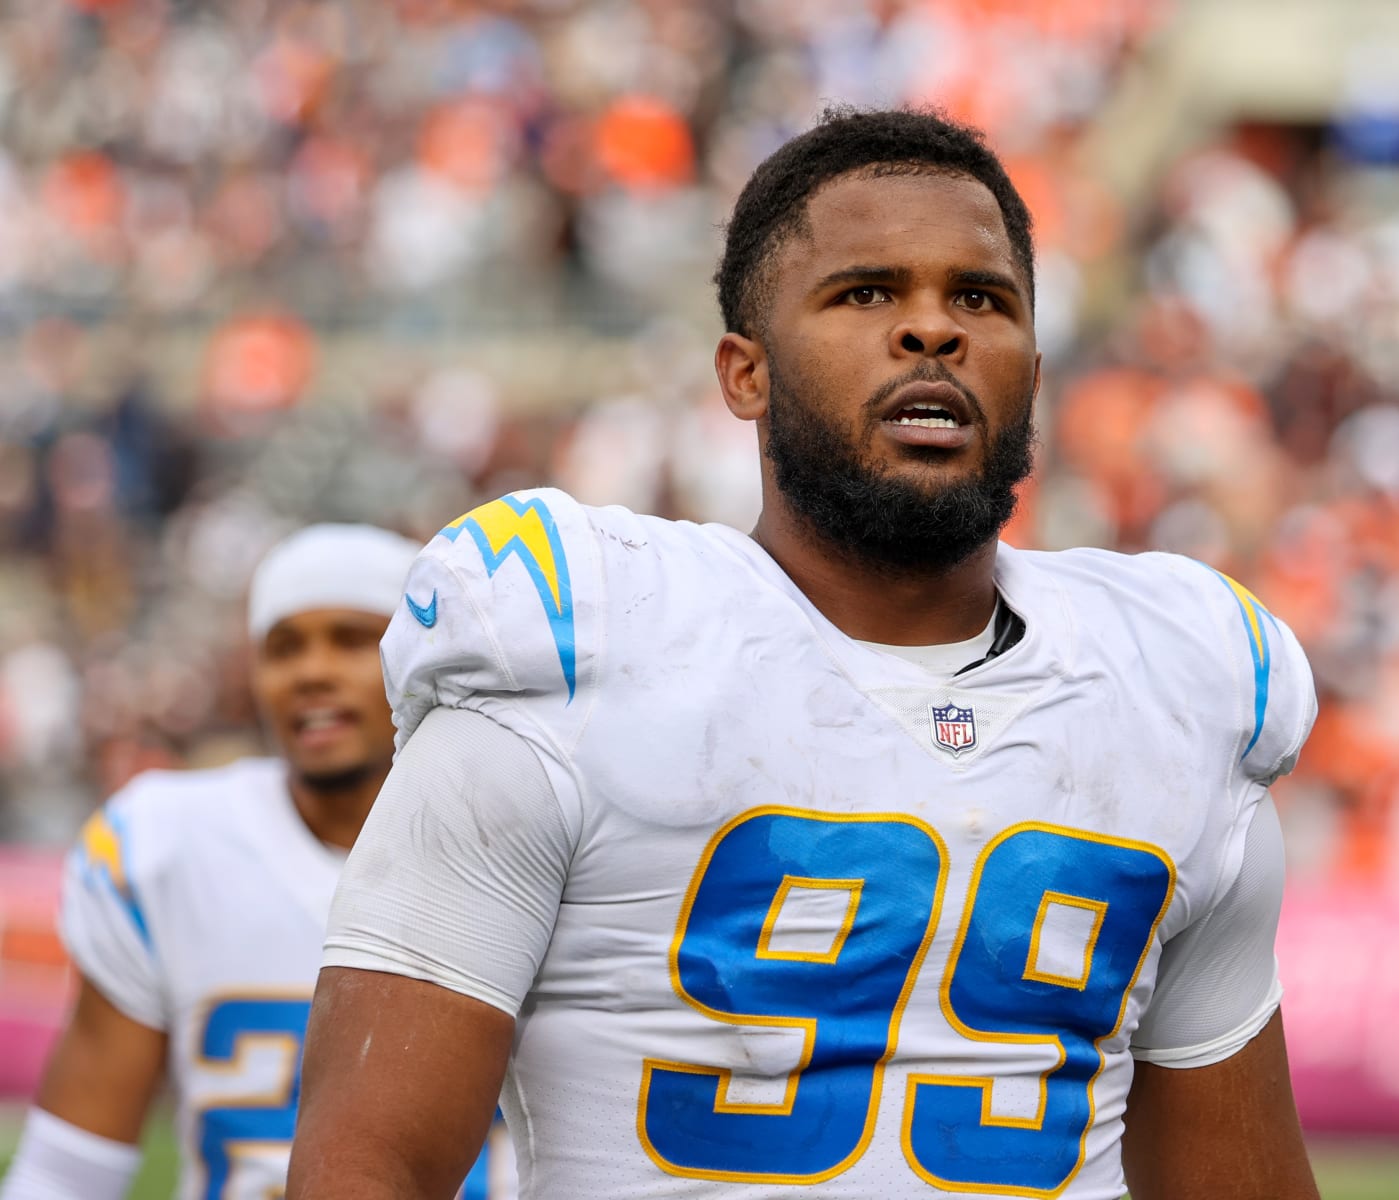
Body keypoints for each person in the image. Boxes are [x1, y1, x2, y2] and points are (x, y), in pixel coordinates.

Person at [291, 108, 1321, 1200]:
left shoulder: (1177, 687)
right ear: (746, 374)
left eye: (982, 298)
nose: (934, 330)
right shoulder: (577, 645)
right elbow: (367, 1166)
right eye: (866, 292)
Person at [0, 526, 514, 1200]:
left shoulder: (520, 844)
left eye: (353, 639)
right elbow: (68, 1171)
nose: (312, 671)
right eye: (283, 647)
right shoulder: (168, 845)